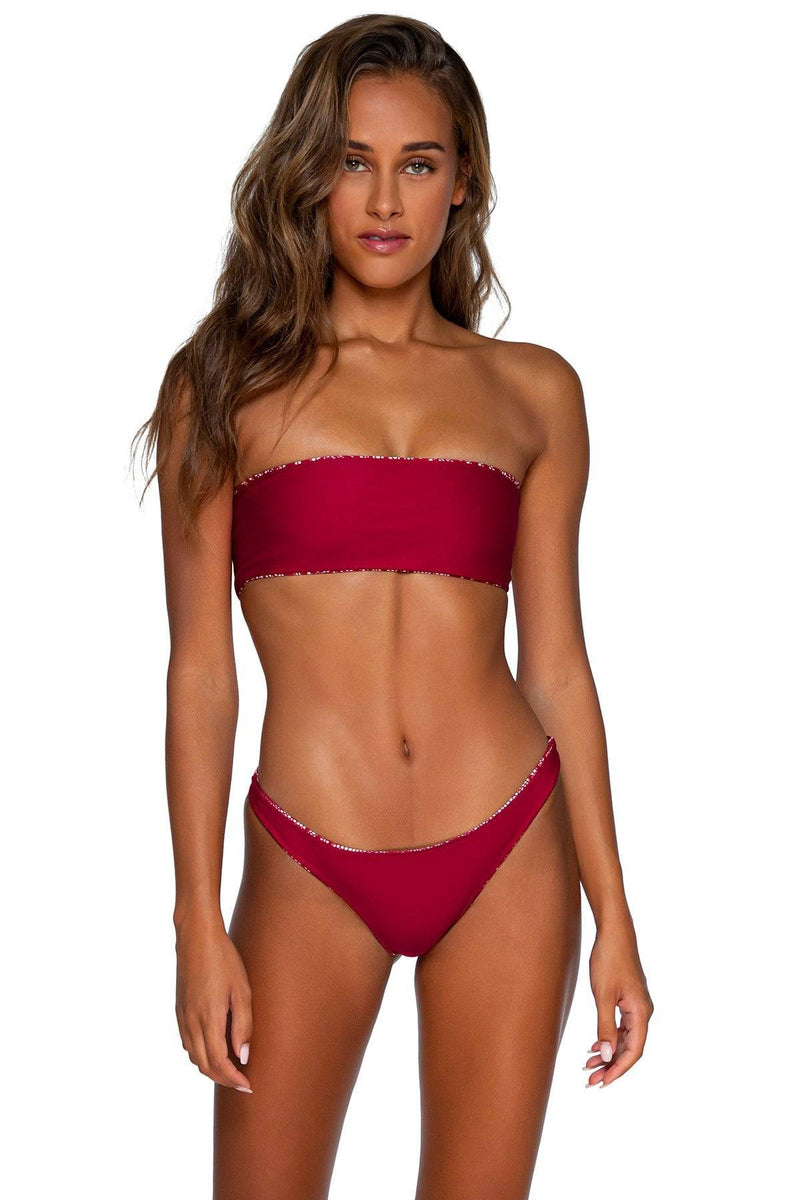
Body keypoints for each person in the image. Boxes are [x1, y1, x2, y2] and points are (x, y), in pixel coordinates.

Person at [132, 14, 654, 1199]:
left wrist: (615, 913)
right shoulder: (224, 387)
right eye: (351, 162)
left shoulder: (533, 393)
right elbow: (199, 671)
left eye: (416, 164)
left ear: (461, 180)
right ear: (306, 176)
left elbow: (557, 666)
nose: (382, 200)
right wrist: (195, 917)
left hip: (507, 845)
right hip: (308, 856)